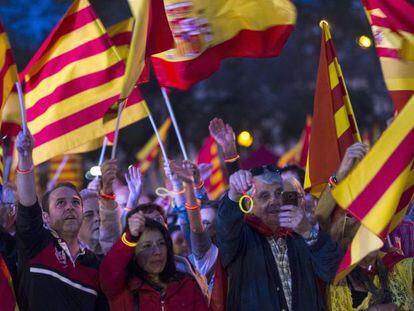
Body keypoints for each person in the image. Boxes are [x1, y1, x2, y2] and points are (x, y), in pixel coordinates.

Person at [217, 165, 342, 311]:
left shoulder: (301, 233)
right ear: (248, 203)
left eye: (279, 193)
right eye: (264, 196)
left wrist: (308, 232)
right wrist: (233, 194)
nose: (274, 201)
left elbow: (333, 272)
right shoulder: (240, 237)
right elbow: (226, 225)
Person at [14, 130, 107, 310]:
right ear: (45, 217)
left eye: (75, 202)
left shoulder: (95, 264)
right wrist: (25, 157)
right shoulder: (36, 243)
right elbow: (27, 204)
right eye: (61, 203)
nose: (70, 207)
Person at [100, 210, 209, 310]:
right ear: (133, 254)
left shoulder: (185, 284)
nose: (157, 251)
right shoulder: (122, 290)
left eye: (161, 243)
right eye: (147, 246)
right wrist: (130, 238)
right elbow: (110, 269)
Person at [79, 159, 122, 255]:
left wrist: (107, 192)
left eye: (100, 213)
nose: (97, 218)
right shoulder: (68, 261)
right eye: (89, 215)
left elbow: (110, 227)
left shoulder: (114, 257)